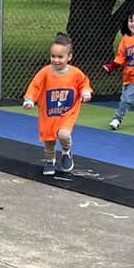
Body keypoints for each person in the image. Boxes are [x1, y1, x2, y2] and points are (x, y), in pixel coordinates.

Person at [23, 33, 93, 175]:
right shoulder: (45, 72)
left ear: (69, 57)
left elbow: (84, 83)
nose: (56, 60)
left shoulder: (75, 73)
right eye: (53, 56)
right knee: (49, 141)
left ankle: (66, 152)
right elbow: (35, 86)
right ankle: (50, 161)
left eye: (60, 57)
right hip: (49, 113)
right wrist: (29, 99)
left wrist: (86, 92)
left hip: (67, 113)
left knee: (64, 135)